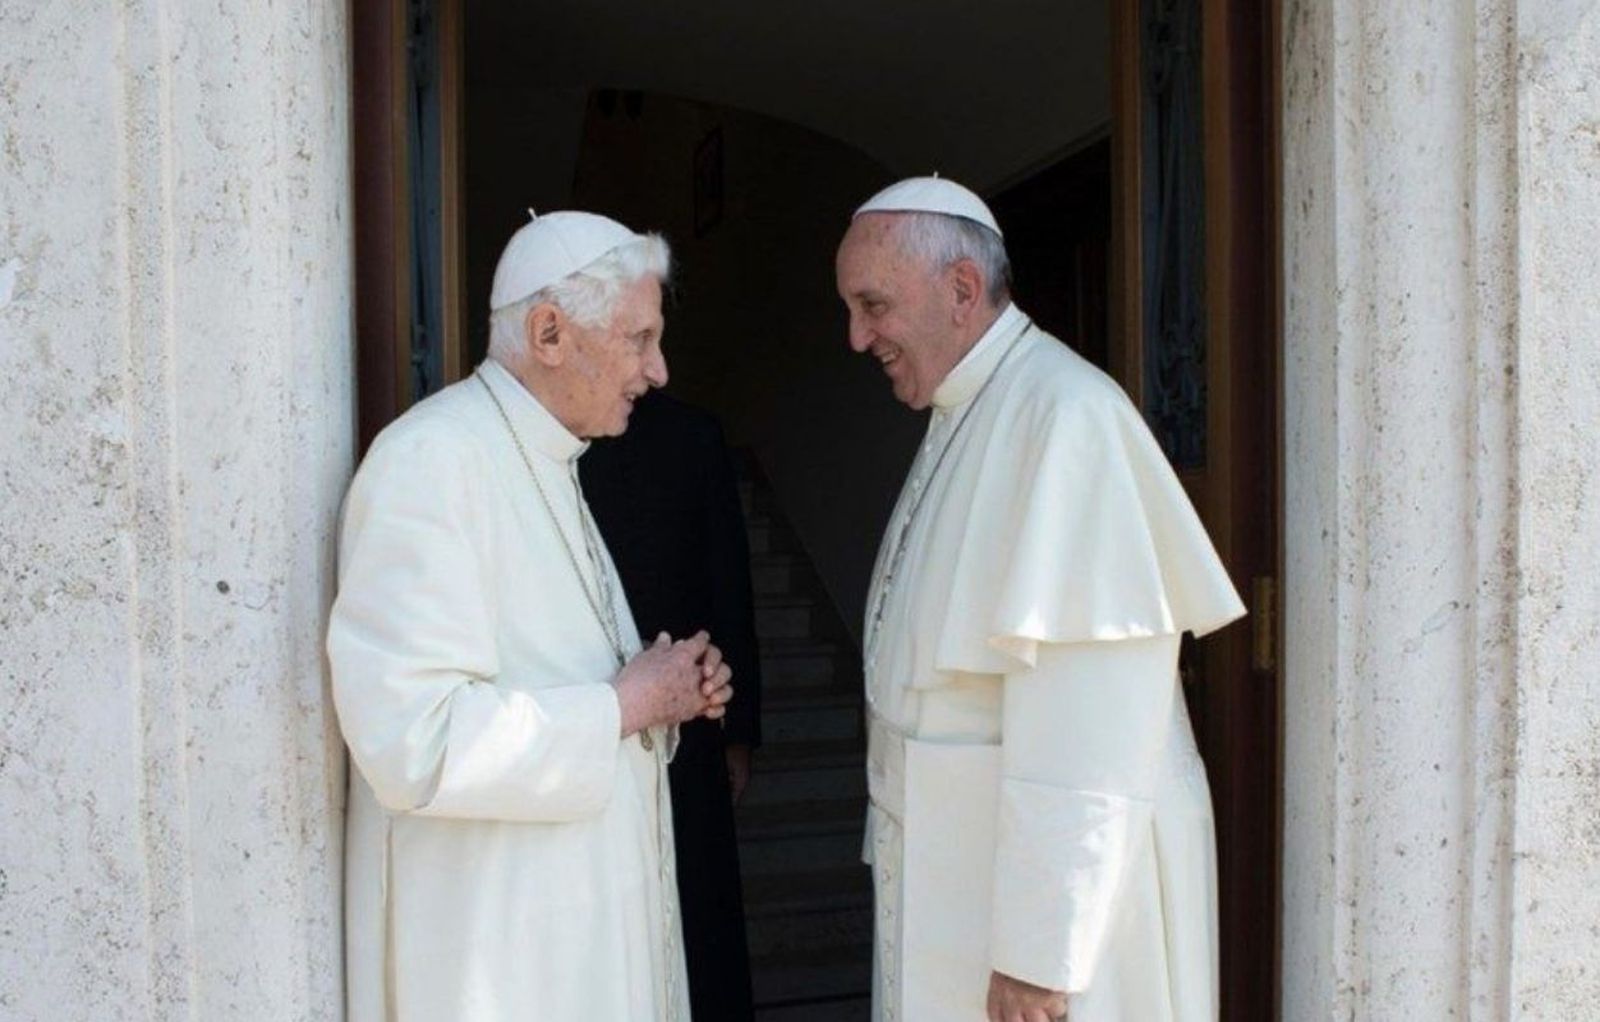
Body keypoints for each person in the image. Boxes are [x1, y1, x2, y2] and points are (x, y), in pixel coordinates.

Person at [834, 177, 1246, 1022]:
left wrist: (1039, 954)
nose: (857, 335)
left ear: (960, 290)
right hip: (960, 880)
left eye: (872, 305)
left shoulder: (1067, 416)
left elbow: (1091, 720)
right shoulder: (972, 408)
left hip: (1049, 928)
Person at [327, 210, 733, 1022]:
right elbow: (413, 740)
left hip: (572, 939)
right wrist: (626, 705)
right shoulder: (430, 462)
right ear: (550, 333)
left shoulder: (551, 461)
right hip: (500, 958)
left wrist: (670, 692)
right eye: (638, 339)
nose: (657, 371)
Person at [581, 389, 763, 1021]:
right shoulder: (544, 444)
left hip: (692, 716)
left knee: (700, 912)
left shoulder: (693, 434)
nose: (653, 364)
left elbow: (727, 582)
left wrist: (737, 729)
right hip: (583, 727)